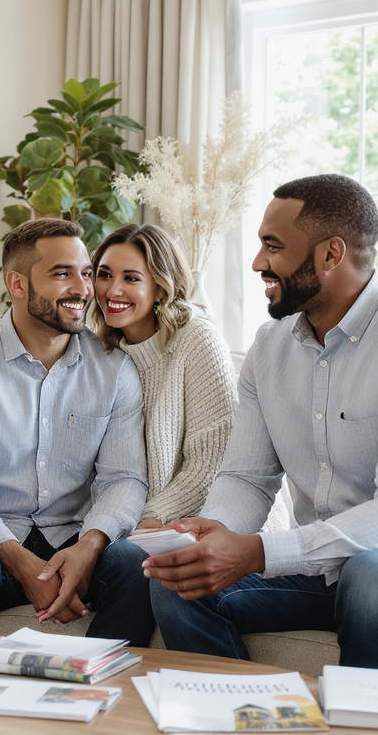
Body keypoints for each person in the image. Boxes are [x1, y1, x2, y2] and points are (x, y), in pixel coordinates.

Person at [145, 174, 378, 671]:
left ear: (331, 254)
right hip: (327, 568)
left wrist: (256, 553)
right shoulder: (268, 348)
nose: (257, 263)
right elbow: (246, 479)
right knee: (182, 584)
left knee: (374, 576)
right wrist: (217, 537)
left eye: (272, 247)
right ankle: (250, 724)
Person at [0, 217, 155, 646]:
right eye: (62, 274)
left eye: (85, 273)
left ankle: (98, 689)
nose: (83, 289)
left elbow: (125, 480)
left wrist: (89, 548)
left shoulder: (114, 370)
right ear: (18, 284)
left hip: (72, 534)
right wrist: (24, 565)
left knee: (133, 565)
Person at [90, 223, 238, 527]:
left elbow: (212, 464)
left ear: (160, 287)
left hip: (204, 521)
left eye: (130, 278)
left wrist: (145, 520)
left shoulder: (197, 340)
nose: (112, 290)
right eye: (104, 275)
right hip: (122, 523)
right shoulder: (101, 350)